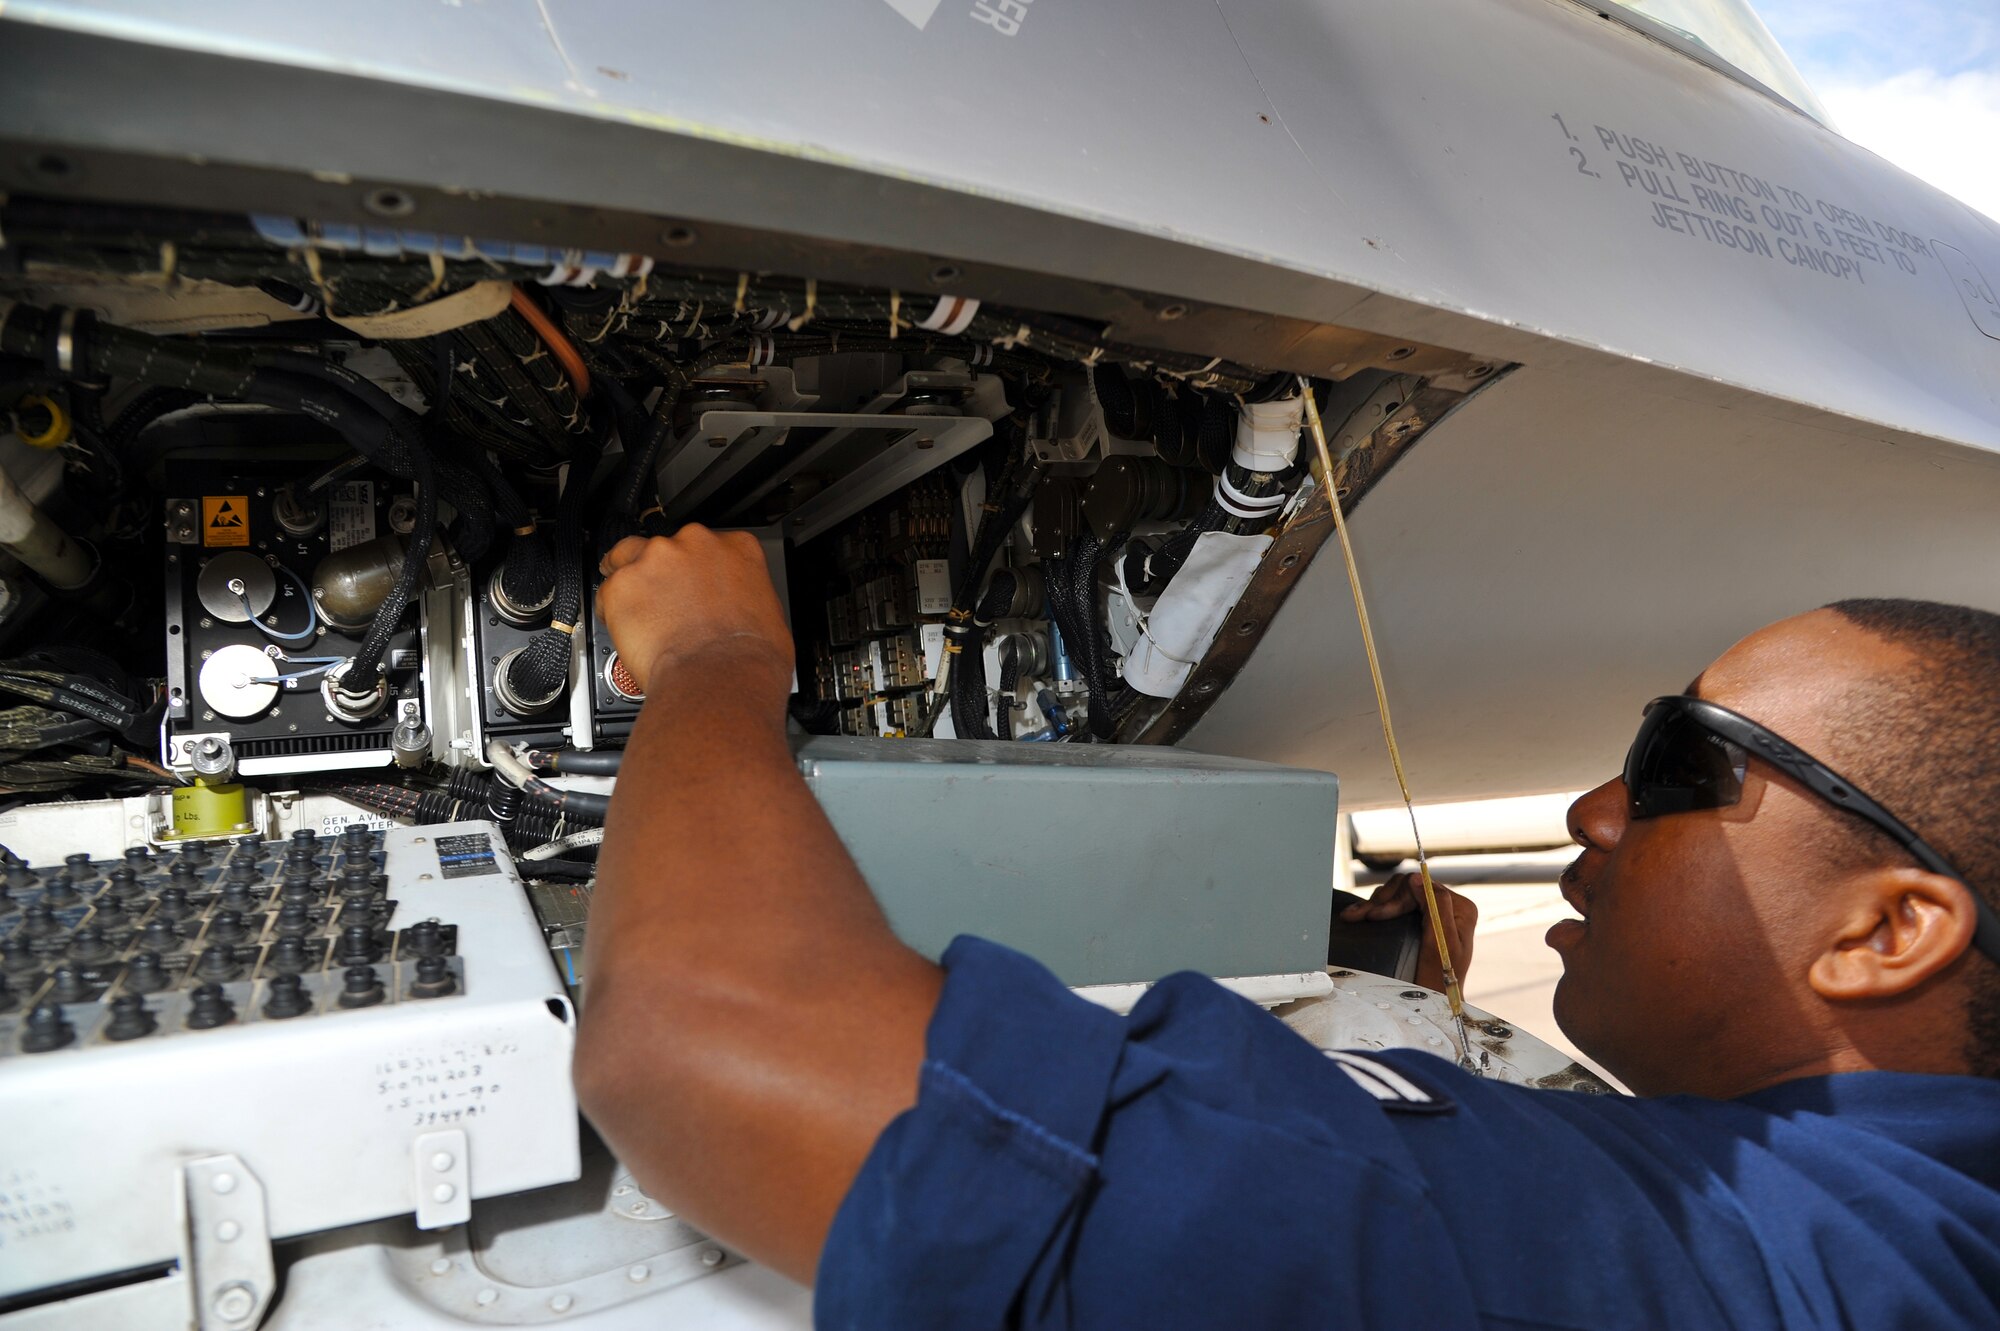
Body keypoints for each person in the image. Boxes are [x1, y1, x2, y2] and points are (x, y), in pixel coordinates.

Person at [575, 525, 2000, 1329]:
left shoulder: (1720, 1265)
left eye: (1676, 764)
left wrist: (715, 656)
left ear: (1889, 934)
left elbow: (706, 1035)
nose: (1591, 810)